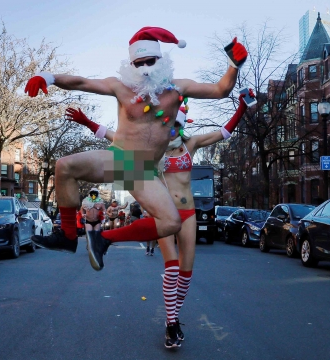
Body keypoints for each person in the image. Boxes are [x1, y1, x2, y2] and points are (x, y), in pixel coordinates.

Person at [26, 27, 246, 276]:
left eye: (150, 61)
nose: (145, 69)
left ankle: (104, 239)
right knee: (64, 166)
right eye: (138, 63)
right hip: (119, 158)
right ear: (131, 64)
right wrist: (49, 77)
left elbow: (220, 90)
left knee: (171, 222)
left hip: (142, 170)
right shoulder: (121, 87)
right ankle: (66, 236)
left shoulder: (177, 88)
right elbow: (82, 82)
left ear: (160, 60)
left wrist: (233, 64)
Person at [63, 90, 250, 348]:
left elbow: (223, 133)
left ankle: (172, 318)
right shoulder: (153, 150)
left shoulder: (191, 145)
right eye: (168, 126)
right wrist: (87, 123)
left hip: (188, 213)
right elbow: (116, 139)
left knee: (186, 273)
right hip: (162, 214)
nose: (172, 131)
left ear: (180, 126)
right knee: (172, 269)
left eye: (176, 126)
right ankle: (171, 325)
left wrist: (241, 107)